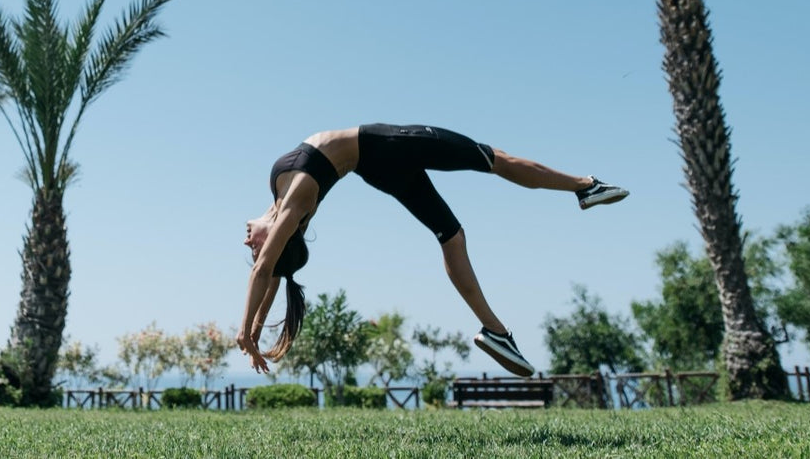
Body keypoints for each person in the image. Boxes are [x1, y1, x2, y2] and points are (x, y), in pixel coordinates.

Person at [236, 124, 628, 377]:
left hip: (376, 167)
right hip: (386, 147)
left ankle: (495, 332)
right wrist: (244, 332)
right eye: (255, 247)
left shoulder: (282, 201)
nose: (247, 242)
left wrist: (255, 334)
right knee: (494, 159)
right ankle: (584, 185)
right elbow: (265, 270)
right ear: (277, 239)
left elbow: (270, 275)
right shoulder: (297, 200)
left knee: (451, 236)